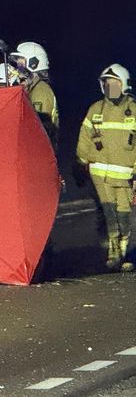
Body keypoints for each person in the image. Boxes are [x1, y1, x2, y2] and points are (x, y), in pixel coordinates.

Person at [77, 64, 136, 271]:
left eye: (114, 83)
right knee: (109, 212)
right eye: (107, 83)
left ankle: (125, 250)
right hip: (100, 174)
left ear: (124, 84)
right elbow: (84, 138)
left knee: (124, 212)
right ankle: (114, 251)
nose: (111, 87)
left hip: (126, 174)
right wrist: (81, 162)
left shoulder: (134, 109)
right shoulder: (95, 110)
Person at [9, 42, 59, 147]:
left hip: (40, 149)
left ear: (33, 64)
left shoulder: (41, 91)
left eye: (21, 64)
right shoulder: (33, 88)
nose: (18, 69)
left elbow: (39, 127)